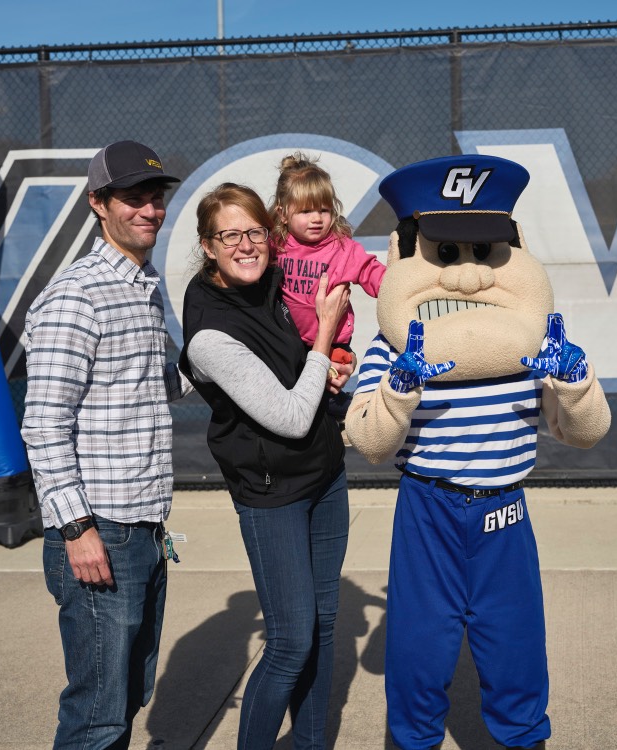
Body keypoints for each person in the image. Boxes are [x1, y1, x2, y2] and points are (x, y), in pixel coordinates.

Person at [345, 155, 612, 750]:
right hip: (427, 512)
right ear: (402, 252)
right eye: (444, 254)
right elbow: (368, 442)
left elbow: (584, 430)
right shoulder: (390, 351)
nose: (467, 277)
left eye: (485, 252)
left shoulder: (539, 347)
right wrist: (399, 393)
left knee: (516, 650)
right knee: (417, 653)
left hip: (505, 516)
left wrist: (574, 386)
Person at [21, 140, 191, 748]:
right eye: (133, 198)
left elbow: (149, 385)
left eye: (155, 197)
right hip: (102, 531)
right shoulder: (79, 295)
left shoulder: (140, 286)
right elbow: (43, 423)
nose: (149, 209)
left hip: (142, 527)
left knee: (127, 694)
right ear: (98, 203)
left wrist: (226, 349)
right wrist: (77, 530)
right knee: (98, 712)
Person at [178, 182, 353, 750]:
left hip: (326, 477)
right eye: (231, 235)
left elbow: (305, 377)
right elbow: (289, 417)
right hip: (273, 494)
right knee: (289, 642)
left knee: (325, 629)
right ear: (208, 246)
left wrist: (331, 369)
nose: (247, 245)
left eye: (256, 232)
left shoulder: (279, 279)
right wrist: (326, 335)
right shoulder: (209, 334)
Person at [270, 152, 385, 418]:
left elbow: (372, 272)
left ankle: (340, 412)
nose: (316, 218)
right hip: (289, 340)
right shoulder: (275, 247)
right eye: (306, 211)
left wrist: (398, 287)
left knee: (331, 380)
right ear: (283, 214)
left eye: (324, 210)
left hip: (334, 341)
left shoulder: (342, 248)